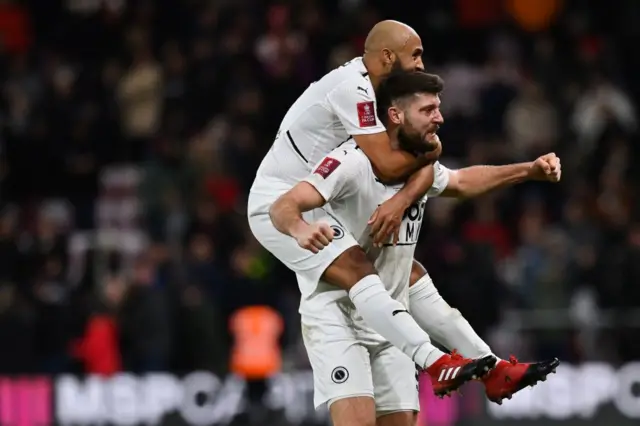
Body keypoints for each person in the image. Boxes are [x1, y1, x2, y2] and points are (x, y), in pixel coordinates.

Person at [269, 70, 561, 425]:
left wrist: (528, 170)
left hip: (394, 325)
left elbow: (463, 180)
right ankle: (455, 364)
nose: (439, 117)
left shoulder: (418, 165)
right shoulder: (352, 161)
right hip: (339, 319)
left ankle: (488, 368)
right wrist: (299, 229)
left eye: (438, 108)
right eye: (428, 110)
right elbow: (284, 205)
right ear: (395, 115)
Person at [249, 20, 489, 388]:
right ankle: (433, 361)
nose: (422, 65)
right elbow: (390, 164)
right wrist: (432, 151)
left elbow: (420, 170)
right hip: (279, 202)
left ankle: (489, 365)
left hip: (322, 198)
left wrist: (405, 196)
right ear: (388, 57)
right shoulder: (353, 88)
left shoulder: (382, 97)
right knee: (359, 269)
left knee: (402, 269)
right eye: (416, 55)